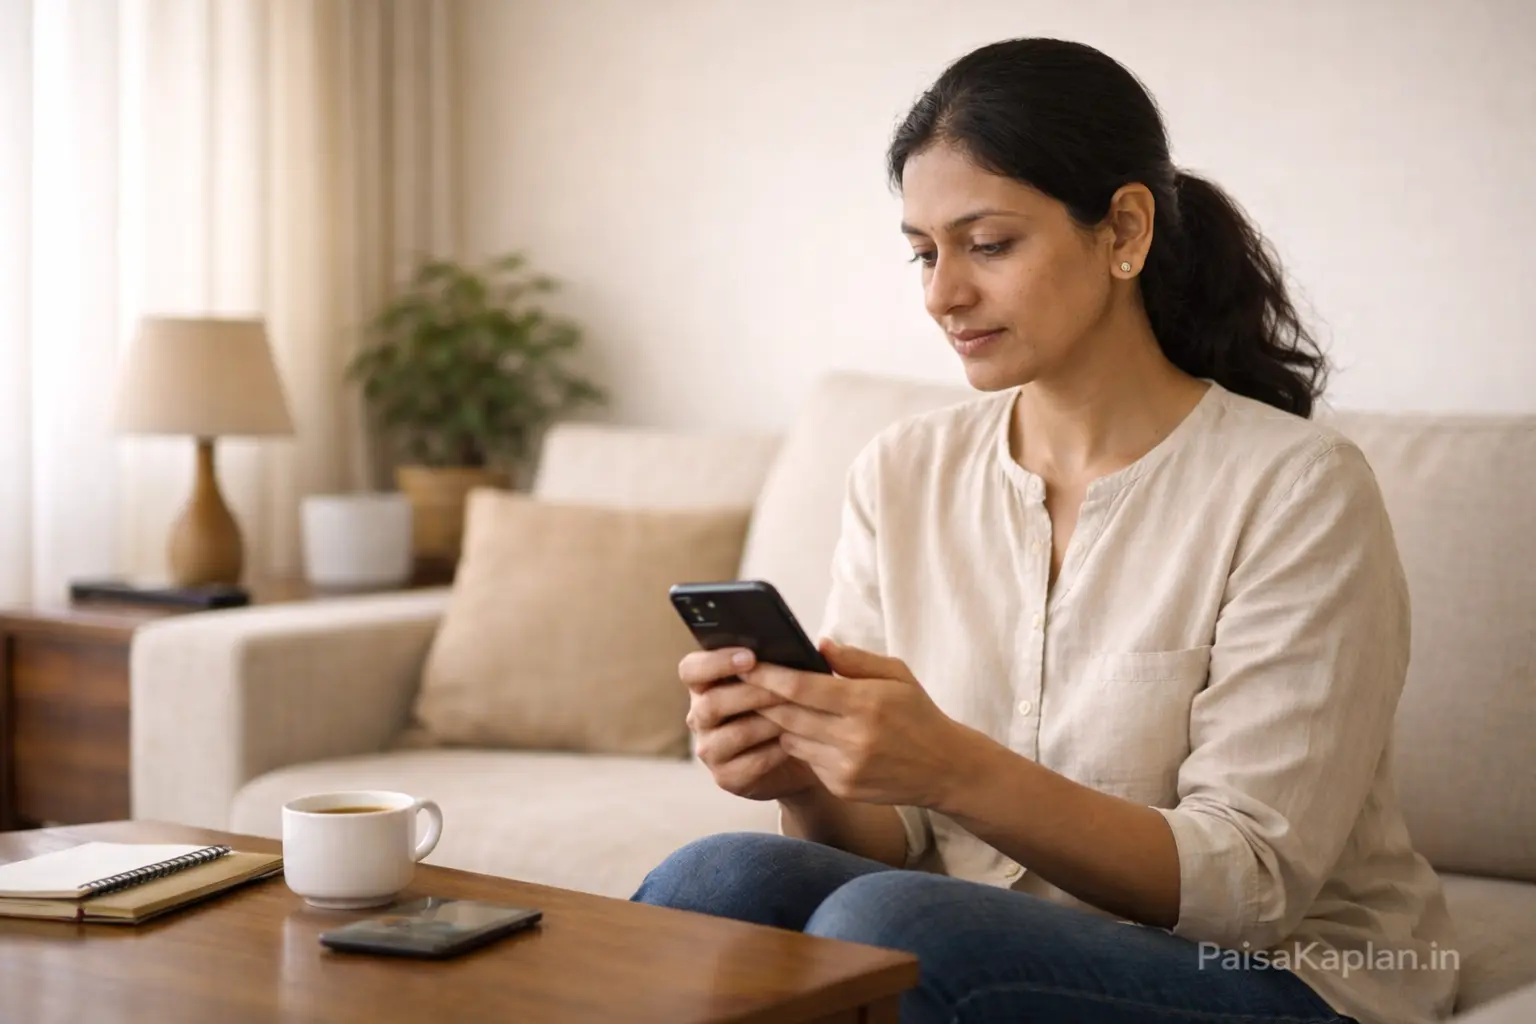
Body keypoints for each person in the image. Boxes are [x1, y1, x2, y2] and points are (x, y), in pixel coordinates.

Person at [631, 37, 1457, 1024]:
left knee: (897, 925)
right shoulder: (902, 473)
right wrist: (808, 772)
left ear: (1124, 231)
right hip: (981, 935)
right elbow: (886, 838)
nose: (943, 293)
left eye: (988, 244)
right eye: (924, 252)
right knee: (721, 879)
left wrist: (951, 765)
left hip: (1279, 974)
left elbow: (1248, 885)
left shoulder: (1298, 488)